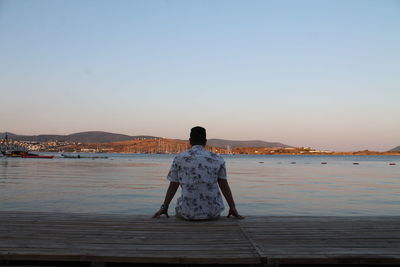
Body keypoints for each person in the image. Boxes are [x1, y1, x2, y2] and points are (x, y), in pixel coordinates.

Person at [153, 126, 244, 220]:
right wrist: (232, 207)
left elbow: (173, 184)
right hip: (212, 213)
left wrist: (165, 207)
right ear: (205, 141)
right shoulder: (218, 159)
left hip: (187, 213)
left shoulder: (179, 158)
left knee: (179, 212)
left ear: (190, 140)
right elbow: (224, 185)